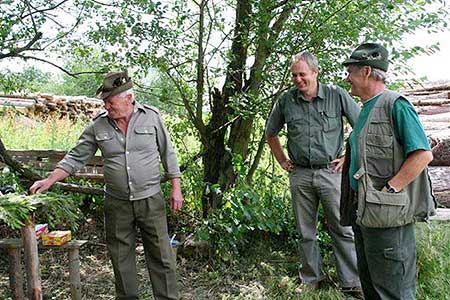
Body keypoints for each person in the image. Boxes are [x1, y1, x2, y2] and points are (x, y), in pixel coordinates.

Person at [30, 71, 183, 300]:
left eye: (111, 101)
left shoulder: (151, 117)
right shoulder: (98, 126)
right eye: (105, 102)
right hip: (117, 203)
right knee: (121, 260)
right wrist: (49, 179)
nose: (107, 106)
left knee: (162, 257)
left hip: (150, 199)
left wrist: (175, 188)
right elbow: (76, 157)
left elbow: (167, 152)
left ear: (128, 98)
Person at [340, 42, 436, 300]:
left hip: (388, 219)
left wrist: (391, 188)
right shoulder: (364, 110)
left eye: (350, 71)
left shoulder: (396, 104)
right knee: (372, 287)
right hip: (365, 214)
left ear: (367, 71)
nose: (347, 77)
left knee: (394, 293)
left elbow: (422, 154)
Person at [265, 51, 362, 295]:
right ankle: (310, 280)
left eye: (302, 74)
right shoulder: (287, 100)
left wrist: (348, 157)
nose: (298, 79)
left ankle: (351, 282)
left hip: (331, 172)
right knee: (305, 231)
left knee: (342, 228)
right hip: (301, 175)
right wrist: (282, 161)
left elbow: (362, 124)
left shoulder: (336, 95)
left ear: (315, 72)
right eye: (294, 75)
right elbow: (271, 132)